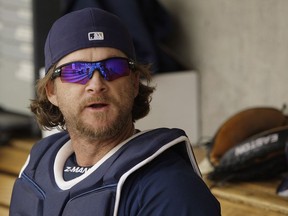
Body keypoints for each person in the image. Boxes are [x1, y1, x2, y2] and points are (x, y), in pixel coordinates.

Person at [9, 7, 221, 216]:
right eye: (76, 72)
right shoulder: (37, 168)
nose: (96, 84)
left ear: (135, 83)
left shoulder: (170, 189)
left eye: (113, 67)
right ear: (51, 91)